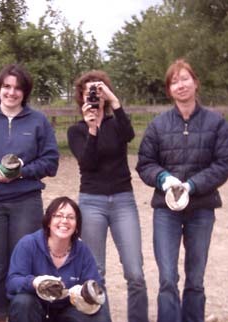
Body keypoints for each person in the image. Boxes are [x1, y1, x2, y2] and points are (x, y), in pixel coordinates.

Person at [0, 63, 59, 322]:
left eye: (18, 88)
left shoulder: (38, 121)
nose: (11, 92)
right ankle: (0, 315)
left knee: (24, 264)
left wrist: (23, 171)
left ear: (25, 92)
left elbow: (51, 162)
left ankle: (24, 315)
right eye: (7, 86)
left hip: (26, 202)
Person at [136, 59, 228, 322]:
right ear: (169, 90)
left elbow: (223, 164)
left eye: (185, 78)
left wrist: (192, 185)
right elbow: (145, 163)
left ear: (196, 82)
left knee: (196, 279)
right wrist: (163, 179)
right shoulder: (158, 125)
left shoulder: (216, 123)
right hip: (166, 211)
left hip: (202, 209)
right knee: (167, 278)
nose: (181, 85)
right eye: (174, 81)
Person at [67, 70, 148, 322]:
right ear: (80, 97)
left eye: (99, 90)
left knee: (134, 272)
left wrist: (115, 102)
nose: (94, 95)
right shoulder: (76, 131)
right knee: (96, 271)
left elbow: (130, 136)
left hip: (123, 198)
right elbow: (87, 163)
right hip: (92, 201)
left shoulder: (116, 124)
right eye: (89, 91)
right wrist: (92, 129)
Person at [6, 196, 111, 322]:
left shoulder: (82, 251)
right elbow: (12, 282)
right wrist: (35, 282)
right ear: (48, 221)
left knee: (98, 312)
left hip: (68, 310)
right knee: (23, 302)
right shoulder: (28, 244)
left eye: (71, 217)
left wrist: (83, 293)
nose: (64, 221)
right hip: (35, 309)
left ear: (77, 224)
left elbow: (95, 285)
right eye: (58, 216)